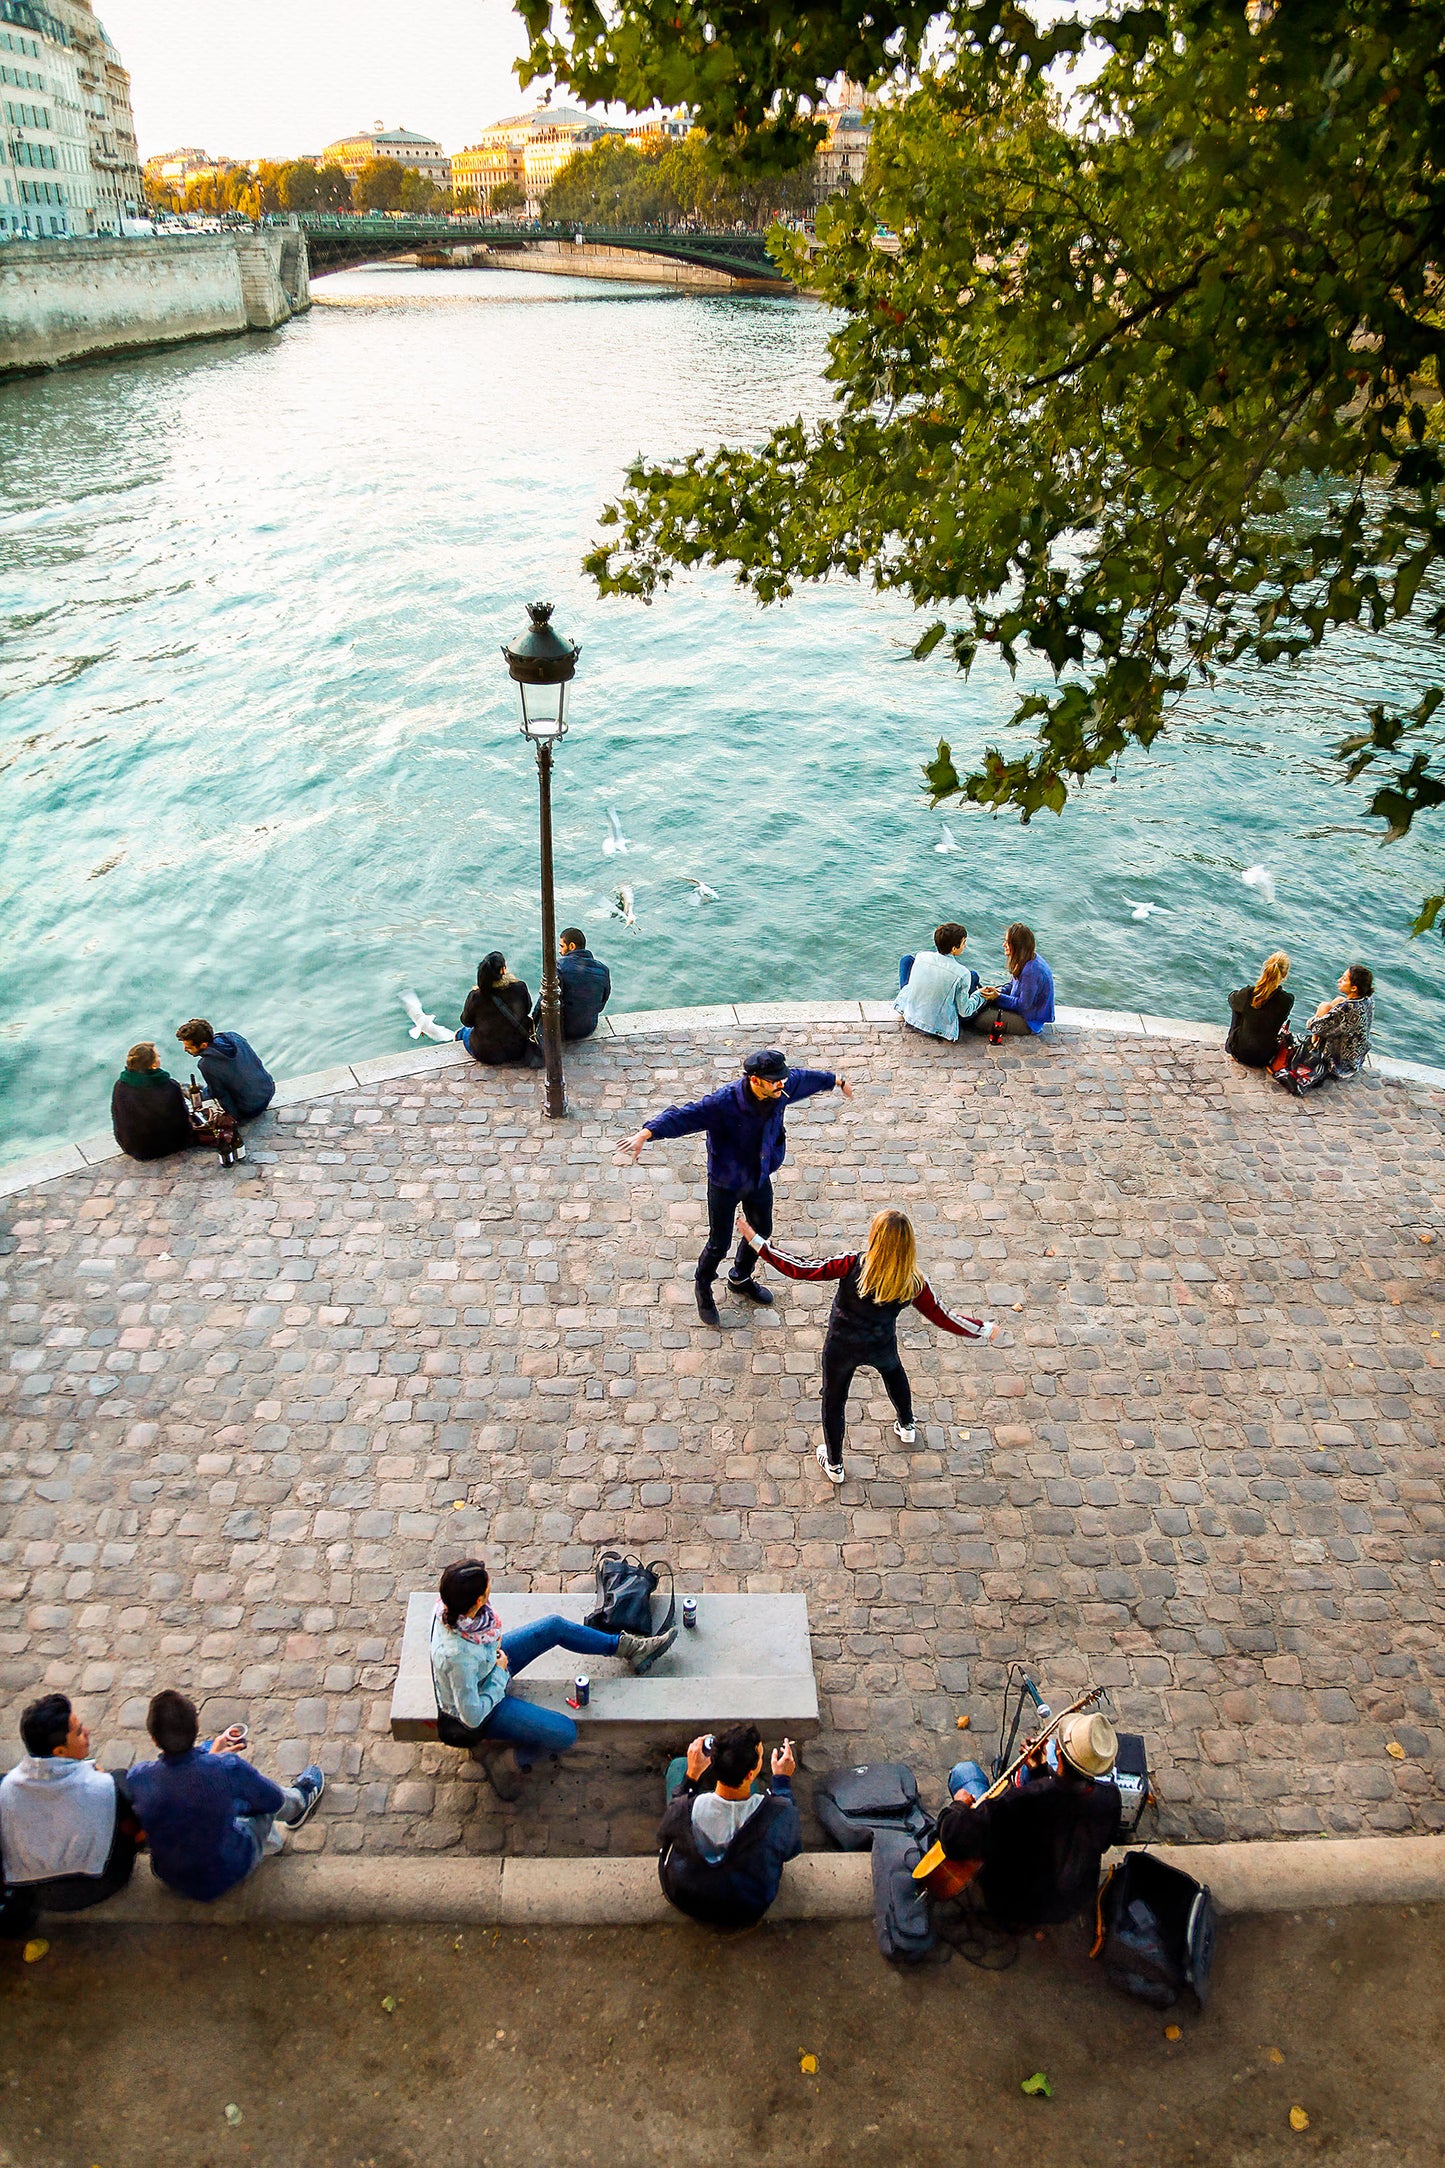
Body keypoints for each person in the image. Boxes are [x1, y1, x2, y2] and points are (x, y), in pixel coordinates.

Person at [738, 1206, 995, 1483]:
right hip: (880, 1343)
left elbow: (801, 1269)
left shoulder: (851, 1264)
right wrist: (983, 1329)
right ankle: (906, 1424)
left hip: (841, 1346)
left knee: (834, 1401)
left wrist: (757, 1241)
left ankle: (835, 1463)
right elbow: (944, 1317)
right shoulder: (913, 1282)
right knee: (895, 1375)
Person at [621, 1048, 854, 1329]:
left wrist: (836, 1080)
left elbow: (806, 1079)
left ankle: (740, 1277)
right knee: (719, 1243)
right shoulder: (723, 1103)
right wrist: (647, 1133)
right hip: (725, 1182)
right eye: (775, 1080)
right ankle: (703, 1285)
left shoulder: (781, 1087)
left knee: (762, 1231)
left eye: (783, 1078)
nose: (783, 1084)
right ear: (755, 1080)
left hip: (757, 1177)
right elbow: (685, 1116)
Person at [430, 1559, 677, 1801]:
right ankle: (506, 1764)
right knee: (565, 1734)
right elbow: (471, 1716)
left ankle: (629, 1648)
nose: (490, 1593)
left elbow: (481, 1647)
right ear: (478, 1601)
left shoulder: (454, 1610)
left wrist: (495, 1660)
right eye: (487, 1590)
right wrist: (499, 1674)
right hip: (486, 1703)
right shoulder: (456, 1657)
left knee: (553, 1626)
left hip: (491, 1663)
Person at [125, 1691, 324, 1903]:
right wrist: (220, 1761)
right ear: (197, 1725)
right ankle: (299, 1802)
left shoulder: (138, 1778)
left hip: (170, 1875)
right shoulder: (228, 1767)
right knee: (258, 1802)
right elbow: (272, 1801)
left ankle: (270, 1836)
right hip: (226, 1870)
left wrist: (212, 1757)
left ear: (154, 1740)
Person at [934, 1712, 1123, 1930]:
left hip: (1013, 1904)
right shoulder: (1109, 1798)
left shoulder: (1022, 1801)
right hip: (1069, 1903)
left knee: (964, 1772)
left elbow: (954, 1838)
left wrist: (959, 1804)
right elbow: (1062, 1812)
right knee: (1024, 1771)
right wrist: (1040, 1771)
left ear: (1059, 1753)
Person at [0, 1694, 141, 1936]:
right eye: (77, 1732)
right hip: (101, 1884)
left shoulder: (6, 1789)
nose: (86, 1731)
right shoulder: (105, 1786)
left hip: (37, 1894)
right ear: (60, 1750)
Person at [657, 1724, 802, 1931]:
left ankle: (686, 1769)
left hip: (687, 1899)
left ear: (713, 1762)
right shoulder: (778, 1812)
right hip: (747, 1908)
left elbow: (668, 1827)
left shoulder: (683, 1809)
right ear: (751, 1773)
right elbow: (790, 1848)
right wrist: (782, 1782)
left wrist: (692, 1774)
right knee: (750, 1793)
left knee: (677, 1767)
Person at [110, 1040, 233, 1162]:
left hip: (133, 1147)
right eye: (157, 1057)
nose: (159, 1058)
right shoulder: (169, 1086)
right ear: (153, 1065)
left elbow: (117, 1115)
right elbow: (182, 1119)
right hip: (169, 1146)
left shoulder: (120, 1085)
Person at [1273, 964, 1375, 1094]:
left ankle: (1313, 1051)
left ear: (1354, 988)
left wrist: (1311, 1020)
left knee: (1323, 1007)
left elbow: (1314, 1026)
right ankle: (1314, 1045)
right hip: (1356, 1059)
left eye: (1344, 979)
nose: (1339, 980)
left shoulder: (1346, 1009)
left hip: (1338, 1063)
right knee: (1338, 1000)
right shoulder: (1367, 1001)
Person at [895, 922, 984, 1041]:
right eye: (963, 943)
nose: (965, 946)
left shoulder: (922, 956)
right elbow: (964, 1011)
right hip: (938, 1026)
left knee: (907, 960)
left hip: (910, 1015)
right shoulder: (963, 973)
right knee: (974, 976)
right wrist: (980, 995)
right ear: (953, 948)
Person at [174, 1018, 275, 1120]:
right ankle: (200, 1090)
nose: (185, 1050)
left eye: (189, 1047)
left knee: (207, 1094)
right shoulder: (234, 1037)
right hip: (269, 1091)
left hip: (251, 1109)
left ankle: (193, 1092)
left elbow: (220, 1094)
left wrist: (235, 1118)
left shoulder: (206, 1064)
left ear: (204, 1045)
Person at [966, 923, 1056, 1037]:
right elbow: (1012, 986)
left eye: (1008, 942)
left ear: (1017, 946)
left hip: (1028, 1020)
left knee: (979, 1019)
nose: (1004, 945)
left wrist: (998, 997)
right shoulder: (1026, 959)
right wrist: (999, 991)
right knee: (983, 1002)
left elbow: (1024, 1005)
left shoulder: (1031, 971)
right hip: (1021, 1010)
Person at [456, 951, 541, 1067]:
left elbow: (466, 1021)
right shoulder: (520, 987)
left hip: (486, 1054)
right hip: (517, 1049)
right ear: (502, 970)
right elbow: (527, 1010)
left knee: (462, 1032)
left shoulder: (476, 996)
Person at [534, 927, 611, 1041]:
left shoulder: (558, 966)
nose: (560, 951)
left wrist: (533, 1021)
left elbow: (544, 999)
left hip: (564, 1031)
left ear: (572, 946)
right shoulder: (603, 969)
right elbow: (602, 1003)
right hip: (589, 1027)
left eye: (561, 946)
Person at [1225, 951, 1293, 1068]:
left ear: (1265, 968)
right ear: (1285, 974)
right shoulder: (1287, 1000)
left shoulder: (1249, 993)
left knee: (1238, 1005)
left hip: (1239, 1052)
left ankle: (1235, 1044)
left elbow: (1231, 998)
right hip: (1264, 1057)